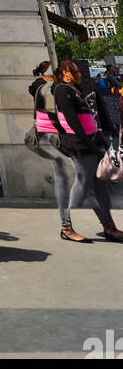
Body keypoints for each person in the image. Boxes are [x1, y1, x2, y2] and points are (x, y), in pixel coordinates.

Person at [53, 60, 123, 244]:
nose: (79, 75)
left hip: (92, 142)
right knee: (82, 186)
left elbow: (92, 114)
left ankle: (109, 227)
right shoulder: (62, 90)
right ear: (65, 73)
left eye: (79, 71)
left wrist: (102, 140)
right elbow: (72, 121)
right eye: (75, 72)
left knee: (99, 186)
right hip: (78, 145)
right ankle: (66, 227)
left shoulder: (77, 89)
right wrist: (89, 144)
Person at [28, 62, 79, 240]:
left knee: (66, 176)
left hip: (45, 137)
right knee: (64, 174)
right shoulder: (53, 90)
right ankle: (66, 226)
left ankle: (67, 225)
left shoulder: (45, 86)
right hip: (46, 137)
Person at [96, 63, 121, 134]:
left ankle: (115, 128)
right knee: (113, 112)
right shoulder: (109, 76)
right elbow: (118, 84)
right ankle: (115, 128)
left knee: (112, 111)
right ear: (110, 69)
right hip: (110, 96)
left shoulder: (107, 75)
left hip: (108, 95)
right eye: (113, 68)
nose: (115, 69)